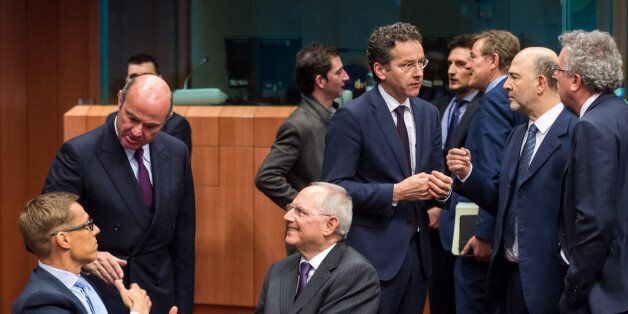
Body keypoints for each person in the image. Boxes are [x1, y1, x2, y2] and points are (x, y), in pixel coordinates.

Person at [321, 22, 453, 313]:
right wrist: (395, 192)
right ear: (380, 70)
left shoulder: (428, 113)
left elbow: (434, 179)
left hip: (418, 257)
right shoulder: (352, 116)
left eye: (421, 62)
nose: (419, 72)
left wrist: (443, 191)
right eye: (407, 65)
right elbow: (333, 190)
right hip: (371, 256)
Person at [43, 74, 195, 314]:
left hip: (160, 294)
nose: (136, 131)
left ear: (166, 120)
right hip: (105, 293)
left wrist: (184, 306)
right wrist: (90, 258)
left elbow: (183, 239)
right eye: (131, 118)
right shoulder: (79, 153)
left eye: (150, 126)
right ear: (120, 100)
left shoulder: (176, 152)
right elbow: (47, 227)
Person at [448, 47, 577, 313]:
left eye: (515, 77)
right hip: (509, 280)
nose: (506, 85)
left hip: (553, 284)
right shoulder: (518, 135)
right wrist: (468, 174)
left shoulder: (576, 134)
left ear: (541, 83)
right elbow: (503, 200)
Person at [447, 30, 527, 313]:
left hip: (481, 231)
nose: (468, 65)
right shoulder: (512, 97)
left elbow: (493, 170)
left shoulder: (495, 99)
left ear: (493, 60)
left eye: (472, 58)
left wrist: (483, 233)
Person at [555, 30, 627, 314]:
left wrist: (572, 290)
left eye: (558, 71)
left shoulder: (591, 126)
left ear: (575, 81)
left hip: (602, 294)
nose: (554, 77)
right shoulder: (620, 112)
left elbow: (595, 221)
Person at [255, 43, 349, 255]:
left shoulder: (337, 116)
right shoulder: (299, 124)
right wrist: (306, 209)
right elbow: (266, 176)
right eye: (339, 72)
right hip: (311, 240)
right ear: (320, 81)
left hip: (331, 233)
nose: (346, 77)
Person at [12, 192, 171, 314]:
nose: (96, 230)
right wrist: (138, 311)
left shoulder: (83, 285)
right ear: (64, 240)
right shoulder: (41, 302)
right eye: (88, 225)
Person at [256, 182, 380, 313]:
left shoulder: (356, 273)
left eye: (300, 211)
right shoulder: (278, 270)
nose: (287, 216)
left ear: (329, 225)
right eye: (290, 209)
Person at [427, 34, 482, 314]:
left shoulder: (488, 108)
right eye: (450, 63)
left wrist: (443, 206)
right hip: (432, 223)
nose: (451, 70)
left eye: (461, 64)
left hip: (466, 220)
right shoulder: (435, 107)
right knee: (440, 299)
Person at [106, 53, 192, 153]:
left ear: (160, 79)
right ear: (126, 81)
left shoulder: (177, 124)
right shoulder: (113, 119)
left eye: (150, 125)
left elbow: (173, 165)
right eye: (133, 77)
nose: (140, 82)